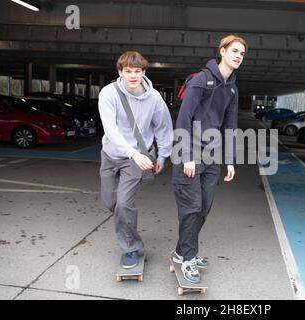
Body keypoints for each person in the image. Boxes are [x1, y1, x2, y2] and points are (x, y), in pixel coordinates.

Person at [172, 35, 248, 283]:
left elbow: (231, 124)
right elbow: (184, 118)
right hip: (190, 154)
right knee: (191, 208)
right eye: (234, 51)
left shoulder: (232, 87)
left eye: (242, 53)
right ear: (223, 51)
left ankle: (181, 253)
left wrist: (230, 159)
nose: (238, 56)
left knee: (203, 208)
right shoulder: (200, 81)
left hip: (213, 155)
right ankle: (187, 259)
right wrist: (187, 156)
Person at [98, 51, 173, 269]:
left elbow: (163, 127)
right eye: (128, 71)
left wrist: (163, 155)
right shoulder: (108, 93)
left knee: (124, 203)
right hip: (112, 154)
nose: (133, 76)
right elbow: (110, 129)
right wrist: (132, 153)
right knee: (110, 202)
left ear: (144, 72)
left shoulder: (154, 98)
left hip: (137, 158)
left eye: (137, 71)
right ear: (120, 72)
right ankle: (129, 230)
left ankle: (130, 247)